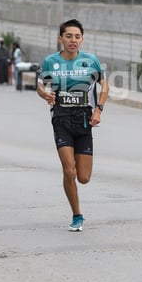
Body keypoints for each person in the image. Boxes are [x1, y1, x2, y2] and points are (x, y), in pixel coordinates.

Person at [36, 19, 109, 232]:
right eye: (68, 36)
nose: (73, 40)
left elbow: (105, 85)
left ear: (82, 39)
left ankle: (78, 195)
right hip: (61, 120)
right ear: (60, 38)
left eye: (77, 36)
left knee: (83, 177)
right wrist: (45, 95)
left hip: (84, 121)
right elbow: (40, 85)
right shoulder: (51, 61)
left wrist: (98, 110)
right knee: (69, 171)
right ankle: (77, 215)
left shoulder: (91, 61)